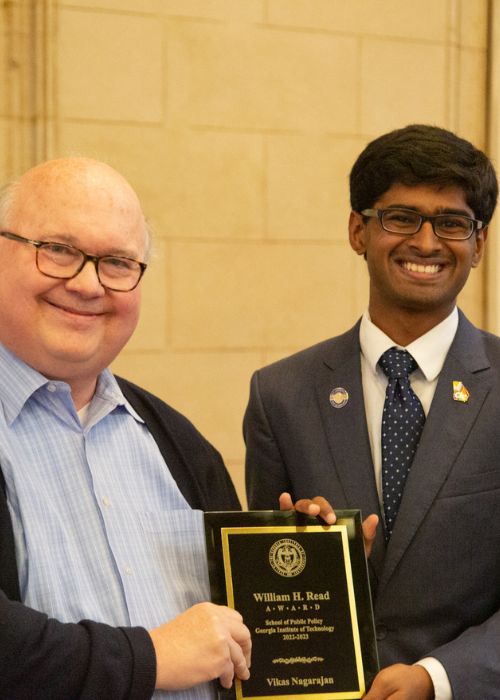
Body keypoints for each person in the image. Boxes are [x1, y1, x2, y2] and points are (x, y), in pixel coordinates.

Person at [244, 124, 500, 700]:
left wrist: (439, 679)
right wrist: (311, 557)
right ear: (359, 230)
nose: (428, 242)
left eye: (452, 223)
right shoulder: (280, 395)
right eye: (402, 217)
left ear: (479, 245)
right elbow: (270, 595)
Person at [0, 157, 252, 699]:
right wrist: (150, 657)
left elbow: (241, 635)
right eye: (59, 251)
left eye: (117, 262)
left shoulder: (179, 443)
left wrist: (315, 565)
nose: (89, 284)